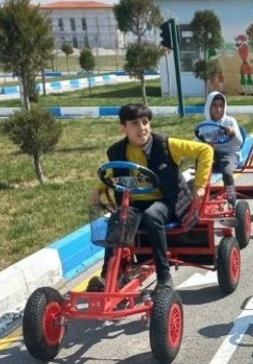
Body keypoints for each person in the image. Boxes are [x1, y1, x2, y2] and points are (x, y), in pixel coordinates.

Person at [88, 103, 215, 291]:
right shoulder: (116, 151)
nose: (142, 128)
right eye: (135, 123)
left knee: (152, 215)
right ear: (123, 127)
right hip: (136, 202)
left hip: (168, 201)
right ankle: (108, 276)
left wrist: (200, 185)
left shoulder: (166, 145)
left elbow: (205, 150)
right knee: (117, 218)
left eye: (145, 122)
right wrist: (97, 190)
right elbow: (111, 172)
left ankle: (164, 276)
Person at [201, 90, 243, 207]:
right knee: (199, 165)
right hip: (212, 154)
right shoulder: (204, 125)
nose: (218, 109)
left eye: (221, 106)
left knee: (227, 172)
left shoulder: (230, 121)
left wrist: (232, 133)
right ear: (208, 106)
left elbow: (239, 142)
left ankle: (232, 200)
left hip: (229, 153)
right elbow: (197, 143)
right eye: (215, 106)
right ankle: (199, 197)